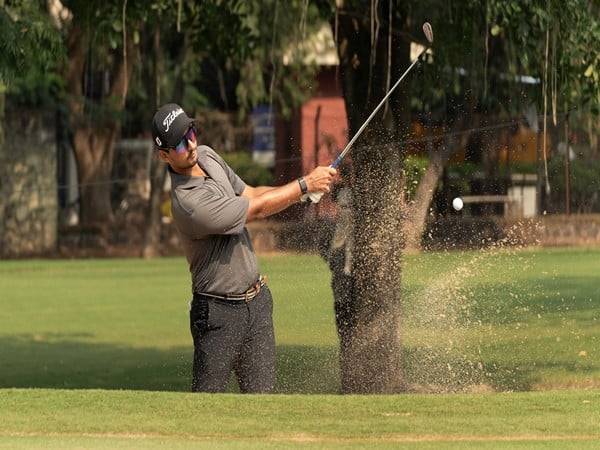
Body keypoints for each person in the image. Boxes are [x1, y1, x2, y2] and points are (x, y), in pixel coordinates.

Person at [151, 103, 336, 393]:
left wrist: (303, 193)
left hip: (257, 304)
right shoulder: (188, 203)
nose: (189, 144)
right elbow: (256, 209)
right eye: (178, 143)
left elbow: (251, 193)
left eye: (190, 132)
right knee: (208, 406)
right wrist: (304, 184)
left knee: (262, 403)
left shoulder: (208, 156)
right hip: (217, 313)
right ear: (164, 155)